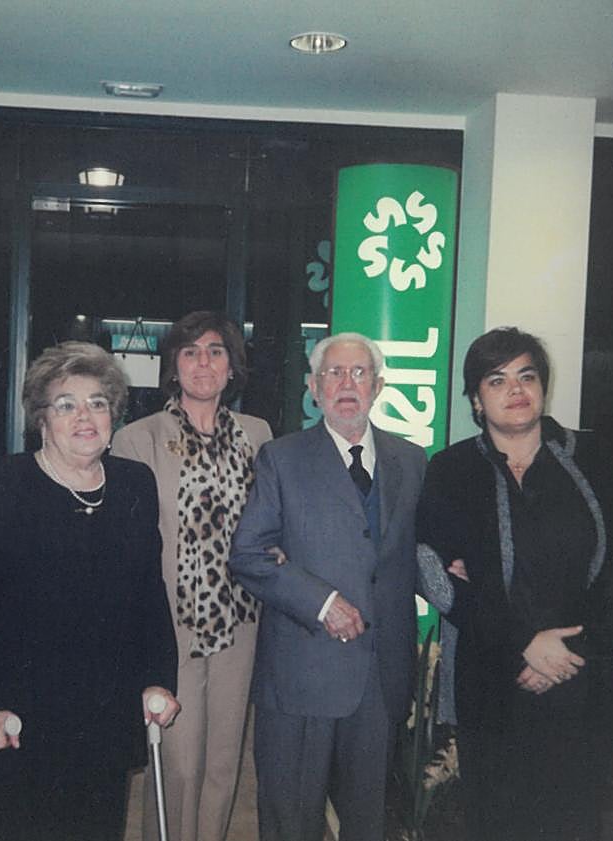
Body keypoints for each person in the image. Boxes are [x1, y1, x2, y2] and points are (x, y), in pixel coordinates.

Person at [0, 340, 180, 841]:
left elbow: (149, 595)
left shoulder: (133, 484)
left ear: (114, 414)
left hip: (103, 715)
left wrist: (160, 679)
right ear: (41, 418)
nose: (84, 417)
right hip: (17, 721)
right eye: (66, 404)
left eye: (98, 403)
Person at [417, 327, 613, 841]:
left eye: (526, 376)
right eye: (497, 380)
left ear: (542, 386)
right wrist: (523, 644)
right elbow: (432, 569)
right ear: (476, 399)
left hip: (580, 682)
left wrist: (575, 648)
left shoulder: (593, 458)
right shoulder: (451, 470)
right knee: (495, 825)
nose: (515, 390)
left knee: (574, 824)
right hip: (493, 683)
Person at [229, 332, 426, 841]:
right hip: (302, 673)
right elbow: (247, 554)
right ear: (314, 389)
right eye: (333, 374)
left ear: (377, 386)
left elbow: (412, 555)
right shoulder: (282, 457)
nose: (346, 384)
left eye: (358, 373)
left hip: (381, 680)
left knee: (368, 825)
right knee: (292, 823)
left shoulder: (411, 459)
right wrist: (321, 601)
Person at [110, 311, 272, 841]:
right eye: (190, 352)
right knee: (179, 765)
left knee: (224, 763)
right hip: (170, 623)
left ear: (231, 367)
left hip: (240, 621)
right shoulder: (138, 438)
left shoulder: (258, 435)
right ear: (173, 368)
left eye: (216, 350)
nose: (204, 362)